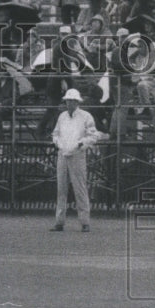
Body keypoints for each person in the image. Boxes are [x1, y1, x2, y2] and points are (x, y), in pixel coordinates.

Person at [51, 88, 102, 232]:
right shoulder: (62, 116)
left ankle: (85, 222)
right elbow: (55, 133)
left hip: (77, 154)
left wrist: (81, 144)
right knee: (61, 189)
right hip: (63, 153)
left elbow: (93, 136)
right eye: (68, 101)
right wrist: (58, 143)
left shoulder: (86, 116)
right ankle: (59, 222)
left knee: (80, 188)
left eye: (72, 101)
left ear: (77, 102)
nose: (69, 103)